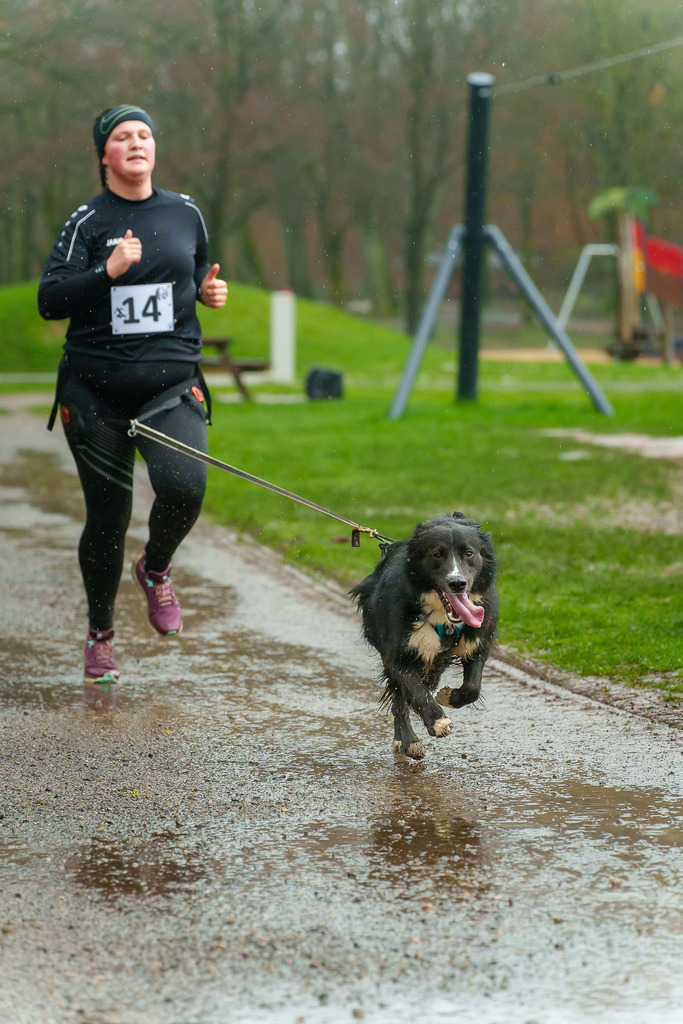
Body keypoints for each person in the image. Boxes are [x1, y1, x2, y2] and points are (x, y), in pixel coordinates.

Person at [38, 104, 228, 687]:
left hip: (171, 387)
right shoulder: (86, 221)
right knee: (108, 517)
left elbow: (192, 272)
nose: (137, 142)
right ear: (105, 155)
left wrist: (207, 289)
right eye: (123, 136)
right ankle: (100, 637)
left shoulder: (185, 211)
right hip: (95, 396)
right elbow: (50, 300)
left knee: (185, 486)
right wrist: (108, 272)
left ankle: (156, 567)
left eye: (145, 133)